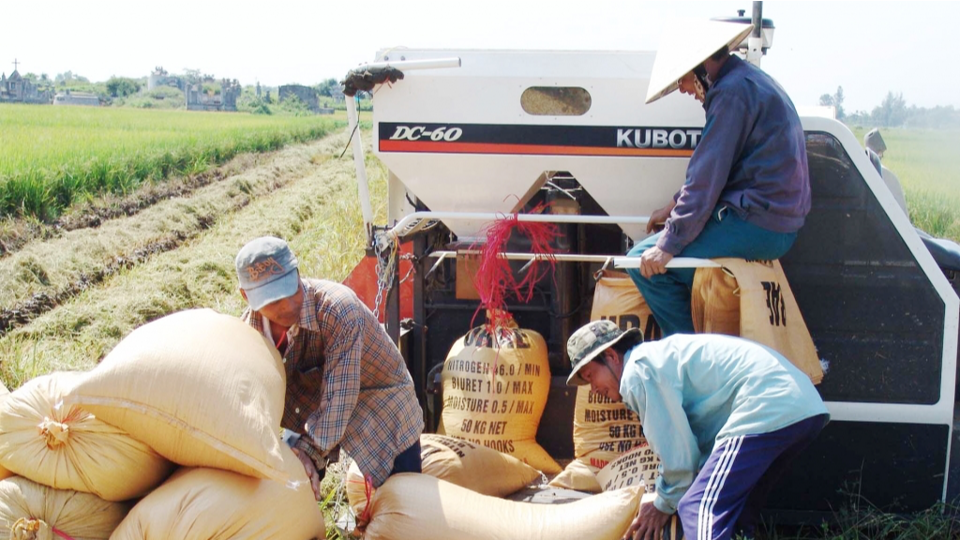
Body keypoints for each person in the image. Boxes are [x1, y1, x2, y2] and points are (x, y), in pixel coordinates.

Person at [626, 21, 811, 336]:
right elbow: (717, 167)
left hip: (757, 223)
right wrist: (673, 206)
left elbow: (707, 177)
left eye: (683, 79)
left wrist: (669, 243)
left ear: (702, 67)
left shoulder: (730, 93)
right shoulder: (753, 81)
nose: (684, 89)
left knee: (642, 265)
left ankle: (689, 358)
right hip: (777, 223)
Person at [565, 320, 828, 540]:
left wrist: (663, 503)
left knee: (699, 506)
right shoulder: (659, 358)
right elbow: (694, 448)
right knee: (737, 515)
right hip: (801, 407)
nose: (594, 389)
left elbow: (679, 454)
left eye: (590, 376)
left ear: (611, 356)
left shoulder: (639, 371)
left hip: (766, 405)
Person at [235, 236, 423, 498]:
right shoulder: (247, 335)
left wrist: (308, 452)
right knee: (289, 486)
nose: (288, 306)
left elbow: (339, 398)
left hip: (379, 403)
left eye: (292, 291)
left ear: (298, 273)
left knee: (405, 501)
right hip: (312, 409)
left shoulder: (337, 310)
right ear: (246, 296)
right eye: (274, 301)